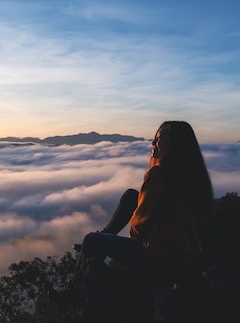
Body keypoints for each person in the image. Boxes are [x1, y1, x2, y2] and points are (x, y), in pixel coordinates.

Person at [53, 120, 215, 301]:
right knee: (131, 196)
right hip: (185, 257)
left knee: (91, 240)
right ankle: (106, 234)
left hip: (158, 259)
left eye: (159, 139)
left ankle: (76, 286)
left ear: (175, 144)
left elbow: (138, 227)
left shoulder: (160, 175)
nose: (153, 144)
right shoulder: (194, 177)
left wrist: (133, 239)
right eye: (154, 140)